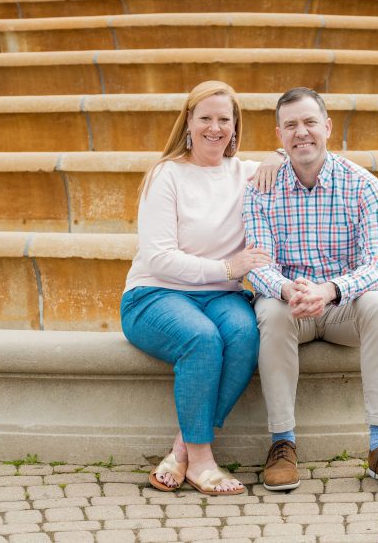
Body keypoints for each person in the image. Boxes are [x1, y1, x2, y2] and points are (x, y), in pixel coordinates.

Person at [242, 87, 378, 494]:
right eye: (291, 126)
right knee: (268, 311)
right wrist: (288, 290)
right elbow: (259, 265)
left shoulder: (364, 186)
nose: (301, 133)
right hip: (291, 307)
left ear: (327, 126)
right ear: (279, 135)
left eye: (309, 122)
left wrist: (330, 290)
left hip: (342, 308)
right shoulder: (259, 189)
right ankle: (282, 444)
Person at [120, 80, 281, 496]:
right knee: (202, 339)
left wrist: (278, 154)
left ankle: (181, 450)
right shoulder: (166, 175)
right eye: (205, 118)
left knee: (246, 335)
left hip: (220, 296)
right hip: (154, 295)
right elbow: (158, 257)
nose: (215, 128)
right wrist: (228, 266)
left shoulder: (246, 173)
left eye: (224, 119)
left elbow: (302, 160)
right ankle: (203, 460)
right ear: (188, 123)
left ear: (235, 126)